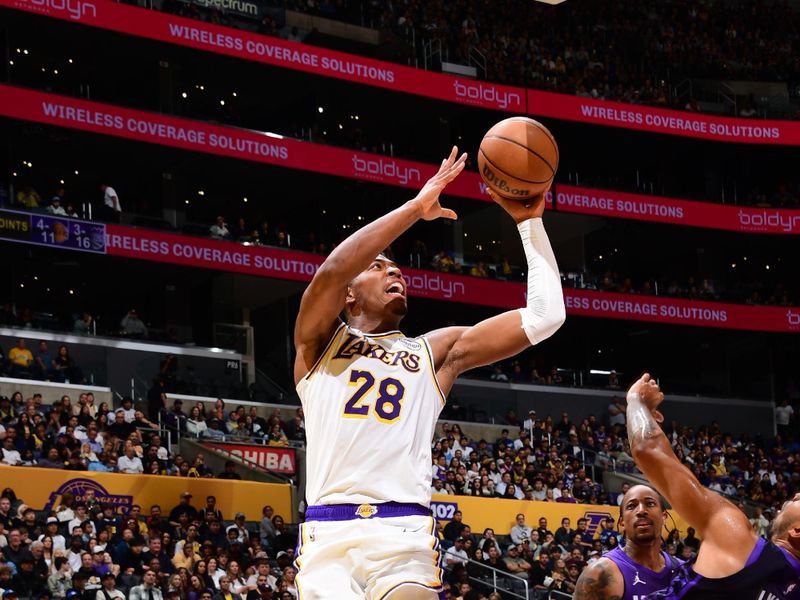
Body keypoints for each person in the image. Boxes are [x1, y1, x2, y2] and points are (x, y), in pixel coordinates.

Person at [292, 147, 565, 598]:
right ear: (349, 298)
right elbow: (332, 271)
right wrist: (416, 209)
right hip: (329, 533)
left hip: (404, 532)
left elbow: (544, 316)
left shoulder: (436, 351)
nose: (393, 269)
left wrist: (530, 223)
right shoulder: (319, 342)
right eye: (377, 266)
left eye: (394, 266)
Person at [626, 373, 800, 599]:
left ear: (797, 532)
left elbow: (647, 450)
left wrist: (636, 401)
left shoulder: (736, 536)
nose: (796, 493)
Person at [573, 484, 682, 599]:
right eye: (631, 506)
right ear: (622, 522)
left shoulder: (681, 571)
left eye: (650, 503)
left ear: (664, 516)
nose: (641, 511)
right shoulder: (599, 574)